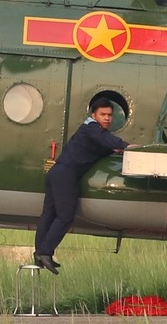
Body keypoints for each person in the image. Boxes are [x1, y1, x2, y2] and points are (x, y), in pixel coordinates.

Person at [33, 97, 128, 272]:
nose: (107, 118)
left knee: (49, 214)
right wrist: (129, 147)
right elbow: (108, 141)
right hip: (65, 175)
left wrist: (117, 149)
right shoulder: (91, 127)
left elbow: (106, 146)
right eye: (103, 114)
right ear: (94, 115)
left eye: (109, 115)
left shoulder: (92, 133)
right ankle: (45, 252)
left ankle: (40, 253)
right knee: (65, 216)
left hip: (57, 173)